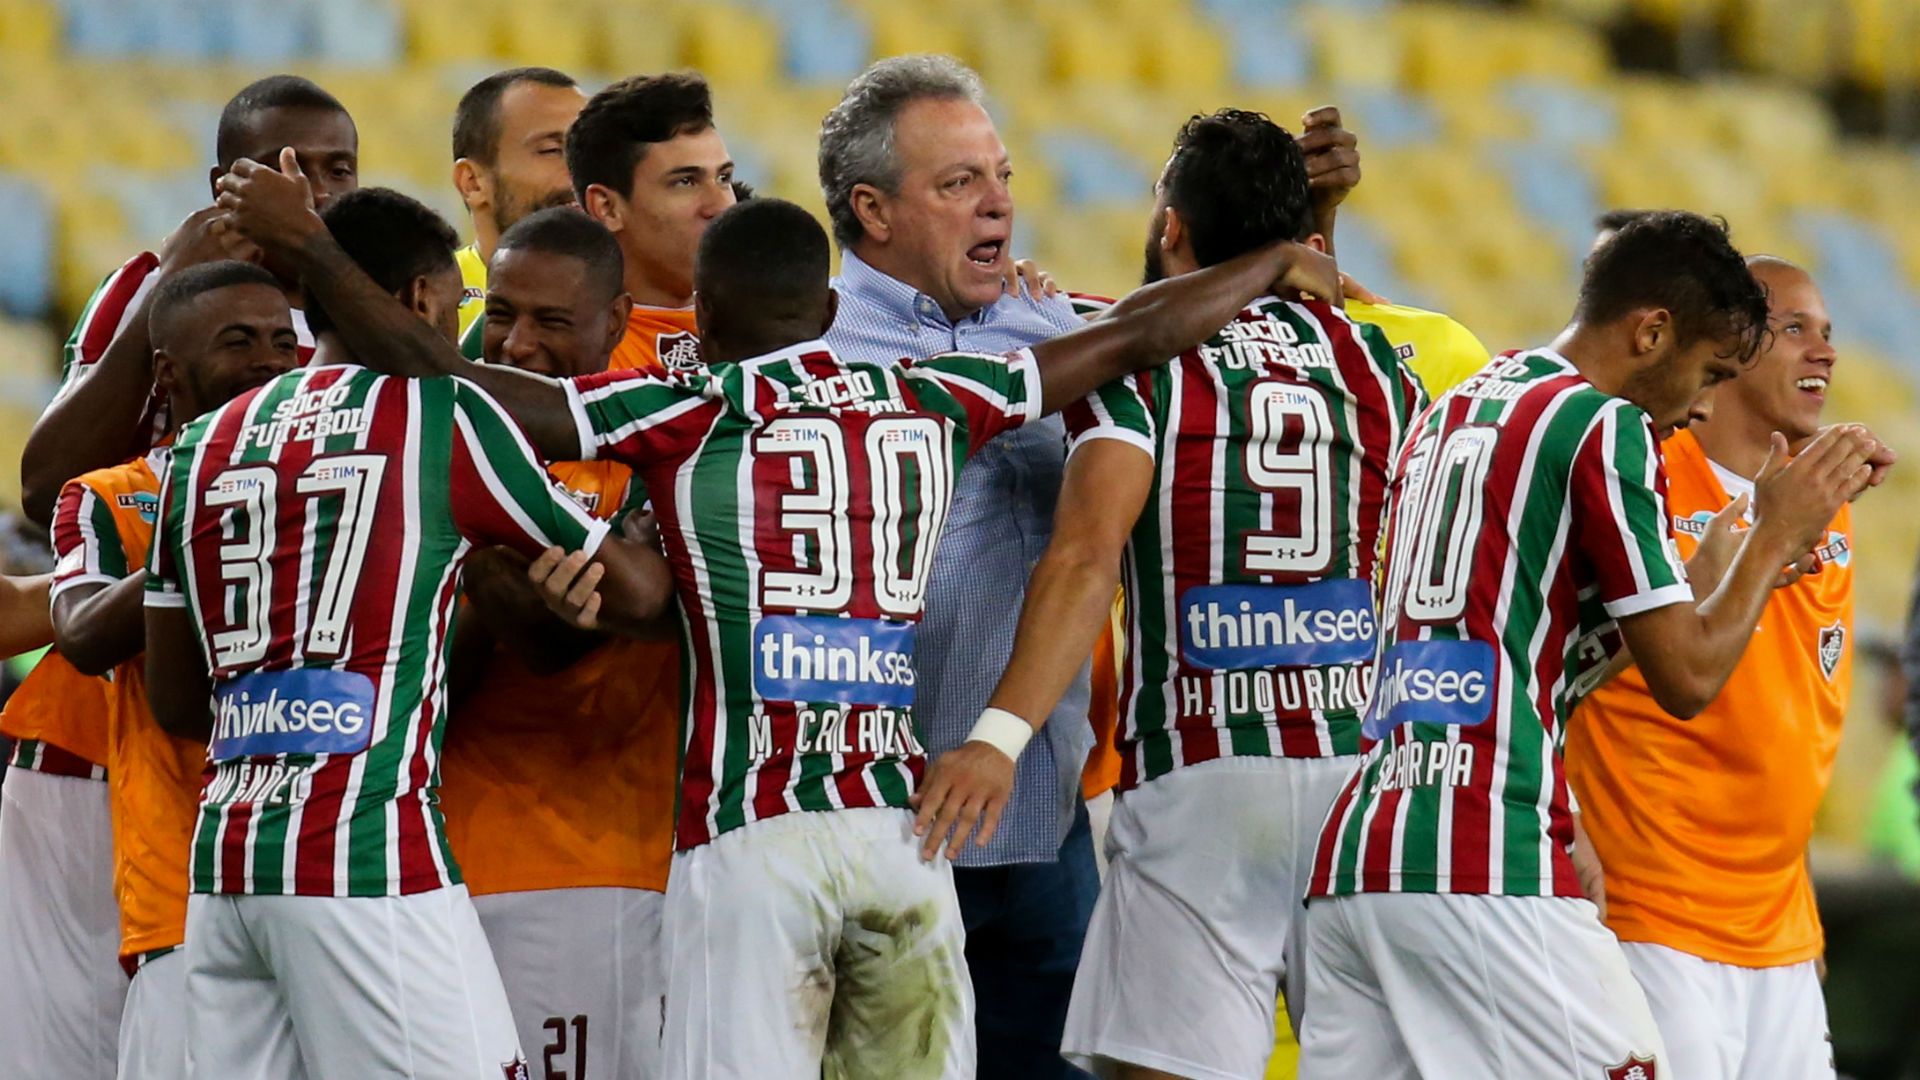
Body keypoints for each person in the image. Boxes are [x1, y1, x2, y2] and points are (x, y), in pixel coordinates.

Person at [211, 124, 1339, 1070]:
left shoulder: (687, 408)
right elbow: (1139, 330)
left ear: (704, 313)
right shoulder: (938, 396)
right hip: (901, 837)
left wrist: (314, 252)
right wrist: (1279, 255)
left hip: (749, 839)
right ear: (823, 304)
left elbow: (453, 380)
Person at [1298, 211, 1881, 1077]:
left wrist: (1707, 571)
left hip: (1363, 854)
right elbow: (1685, 678)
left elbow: (1515, 642)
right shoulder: (1600, 426)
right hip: (1482, 856)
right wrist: (1771, 537)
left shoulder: (1461, 404)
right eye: (1703, 374)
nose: (1695, 408)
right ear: (1651, 332)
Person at [916, 109, 1424, 1080]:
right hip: (1361, 771)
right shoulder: (1385, 367)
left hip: (1204, 773)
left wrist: (999, 739)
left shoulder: (1141, 361)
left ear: (1173, 228)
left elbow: (1083, 556)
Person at [144, 183, 673, 1078]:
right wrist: (642, 543)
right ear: (425, 300)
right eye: (465, 304)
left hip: (225, 865)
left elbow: (174, 695)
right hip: (363, 852)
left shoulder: (204, 444)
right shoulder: (441, 417)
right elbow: (635, 597)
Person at [1568, 256, 1870, 1080]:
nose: (1825, 353)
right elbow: (1555, 662)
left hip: (1778, 934)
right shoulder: (1645, 474)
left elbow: (1797, 715)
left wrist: (1798, 905)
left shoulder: (1824, 495)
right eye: (1795, 329)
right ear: (1732, 343)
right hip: (1651, 915)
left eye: (1831, 333)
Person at [437, 206, 679, 1080]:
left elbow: (550, 642)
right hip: (448, 863)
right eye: (500, 314)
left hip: (600, 862)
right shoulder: (449, 436)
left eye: (552, 322)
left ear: (614, 324)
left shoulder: (652, 452)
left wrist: (469, 539)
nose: (518, 344)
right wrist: (515, 560)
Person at [48, 260, 300, 1080]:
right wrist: (209, 511)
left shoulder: (344, 473)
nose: (270, 361)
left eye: (282, 341)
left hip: (335, 875)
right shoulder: (109, 496)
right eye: (238, 341)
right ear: (169, 370)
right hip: (181, 897)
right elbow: (82, 633)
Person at [19, 74, 356, 525]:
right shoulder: (147, 284)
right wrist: (169, 289)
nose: (313, 193)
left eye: (338, 171)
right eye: (280, 169)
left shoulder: (378, 304)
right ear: (223, 185)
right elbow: (45, 489)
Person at [461, 72, 736, 373]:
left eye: (724, 178)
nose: (720, 206)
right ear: (607, 208)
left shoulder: (768, 319)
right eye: (685, 182)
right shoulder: (534, 340)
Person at [450, 67, 587, 339]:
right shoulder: (426, 304)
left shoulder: (642, 304)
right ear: (473, 183)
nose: (584, 172)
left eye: (591, 151)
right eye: (552, 151)